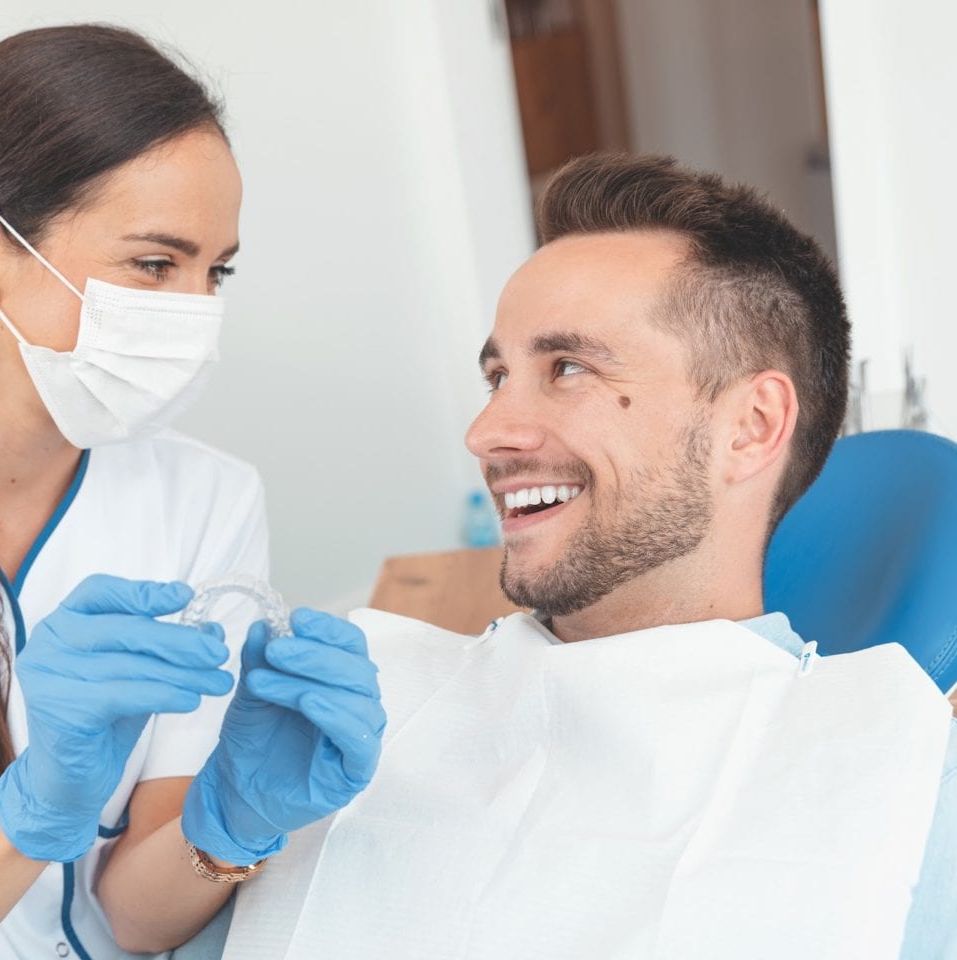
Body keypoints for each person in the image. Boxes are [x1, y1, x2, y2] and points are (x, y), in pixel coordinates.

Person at [218, 154, 957, 959]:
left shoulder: (900, 793)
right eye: (498, 376)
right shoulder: (363, 718)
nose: (486, 433)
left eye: (567, 369)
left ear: (749, 426)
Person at [0, 25, 383, 960]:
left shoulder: (207, 499)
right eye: (154, 265)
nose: (194, 315)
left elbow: (132, 918)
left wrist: (229, 826)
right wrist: (31, 807)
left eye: (217, 272)